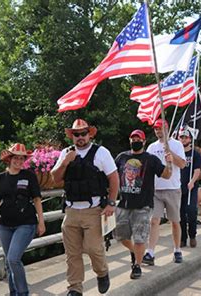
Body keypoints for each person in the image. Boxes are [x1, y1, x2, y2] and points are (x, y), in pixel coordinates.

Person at [51, 119, 119, 296]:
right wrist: (65, 162)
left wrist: (111, 203)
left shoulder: (101, 152)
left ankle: (102, 272)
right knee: (72, 253)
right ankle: (75, 288)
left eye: (83, 133)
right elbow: (55, 178)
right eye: (76, 134)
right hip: (71, 210)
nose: (80, 137)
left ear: (90, 134)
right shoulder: (66, 153)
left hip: (94, 209)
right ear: (72, 136)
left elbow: (114, 178)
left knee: (93, 248)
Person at [0, 143, 46, 296]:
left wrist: (41, 222)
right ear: (9, 159)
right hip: (4, 225)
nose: (18, 161)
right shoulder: (0, 178)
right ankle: (14, 292)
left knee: (13, 259)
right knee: (8, 261)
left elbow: (37, 199)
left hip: (26, 223)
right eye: (15, 158)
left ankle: (23, 292)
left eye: (21, 158)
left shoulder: (29, 176)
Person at [114, 129, 172, 279]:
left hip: (143, 205)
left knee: (140, 238)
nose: (135, 141)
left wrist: (169, 162)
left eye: (138, 139)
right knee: (120, 236)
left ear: (144, 141)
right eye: (133, 139)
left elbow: (166, 175)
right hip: (123, 204)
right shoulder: (121, 157)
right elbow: (111, 175)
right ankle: (135, 251)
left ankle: (137, 266)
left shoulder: (150, 159)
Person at [143, 119, 186, 265]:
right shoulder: (151, 147)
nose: (158, 131)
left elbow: (182, 164)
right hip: (156, 189)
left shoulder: (176, 144)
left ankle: (177, 249)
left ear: (167, 128)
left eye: (160, 128)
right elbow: (146, 166)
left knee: (174, 221)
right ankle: (150, 252)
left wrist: (171, 155)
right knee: (154, 221)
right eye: (156, 129)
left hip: (172, 188)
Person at [178, 129, 201, 248]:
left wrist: (192, 181)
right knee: (180, 214)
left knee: (191, 211)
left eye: (186, 137)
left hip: (191, 187)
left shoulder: (195, 154)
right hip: (178, 187)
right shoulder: (177, 153)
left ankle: (192, 235)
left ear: (190, 139)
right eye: (182, 137)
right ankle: (182, 238)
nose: (183, 139)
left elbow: (197, 170)